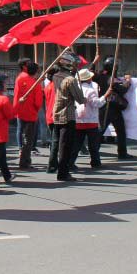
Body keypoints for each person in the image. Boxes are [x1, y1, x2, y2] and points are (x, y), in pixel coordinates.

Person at [49, 51, 84, 182]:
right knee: (66, 146)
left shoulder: (56, 76)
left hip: (57, 113)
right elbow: (80, 99)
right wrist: (86, 99)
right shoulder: (70, 79)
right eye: (74, 64)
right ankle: (63, 173)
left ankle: (55, 167)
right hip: (67, 115)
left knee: (58, 144)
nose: (76, 67)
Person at [72, 68, 110, 169]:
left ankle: (70, 162)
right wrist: (105, 96)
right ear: (88, 79)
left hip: (79, 119)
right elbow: (97, 104)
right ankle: (95, 162)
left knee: (77, 144)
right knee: (93, 144)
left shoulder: (76, 89)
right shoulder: (90, 90)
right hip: (90, 120)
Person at [94, 57, 132, 159]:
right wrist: (128, 81)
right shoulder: (111, 79)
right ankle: (95, 153)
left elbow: (92, 74)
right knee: (102, 131)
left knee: (119, 130)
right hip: (109, 108)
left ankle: (122, 153)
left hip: (110, 107)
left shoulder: (101, 76)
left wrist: (94, 62)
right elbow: (123, 89)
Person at [13, 58, 43, 169]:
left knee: (22, 134)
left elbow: (16, 95)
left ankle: (25, 158)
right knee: (28, 139)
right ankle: (24, 161)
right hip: (31, 113)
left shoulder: (19, 78)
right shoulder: (35, 84)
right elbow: (38, 102)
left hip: (21, 110)